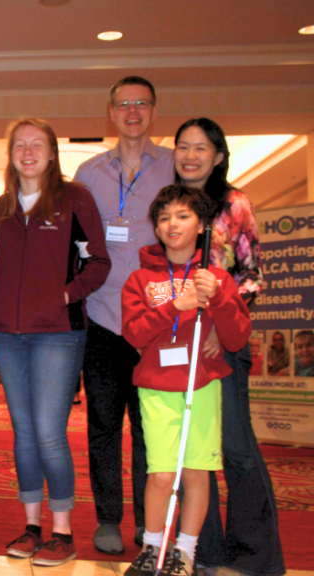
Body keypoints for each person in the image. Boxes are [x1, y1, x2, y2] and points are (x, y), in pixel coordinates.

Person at [0, 118, 111, 567]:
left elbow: (98, 262)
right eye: (19, 145)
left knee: (48, 432)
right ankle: (32, 526)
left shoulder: (74, 200)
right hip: (9, 334)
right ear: (11, 153)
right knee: (22, 434)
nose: (27, 152)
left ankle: (63, 533)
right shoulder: (1, 208)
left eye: (36, 144)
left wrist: (63, 295)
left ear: (52, 152)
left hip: (58, 334)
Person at [172, 117, 284, 576]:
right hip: (183, 348)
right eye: (183, 147)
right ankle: (204, 551)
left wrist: (222, 319)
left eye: (201, 148)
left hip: (225, 343)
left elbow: (252, 275)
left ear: (218, 156)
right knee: (195, 454)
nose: (191, 156)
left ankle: (256, 558)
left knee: (236, 448)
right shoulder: (172, 204)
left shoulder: (235, 204)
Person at [122, 185, 251, 576]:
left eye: (182, 216)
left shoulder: (216, 278)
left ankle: (185, 553)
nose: (172, 224)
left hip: (202, 386)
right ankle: (151, 547)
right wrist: (175, 308)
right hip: (157, 388)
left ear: (200, 226)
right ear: (156, 229)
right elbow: (134, 334)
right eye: (163, 218)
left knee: (196, 473)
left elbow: (236, 337)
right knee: (161, 474)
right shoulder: (140, 279)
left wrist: (219, 300)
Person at [74, 76, 174, 555]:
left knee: (151, 427)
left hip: (159, 322)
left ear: (153, 111)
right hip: (103, 319)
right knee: (104, 426)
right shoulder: (88, 174)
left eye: (141, 103)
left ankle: (147, 520)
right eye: (123, 104)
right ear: (110, 113)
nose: (132, 110)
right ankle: (108, 518)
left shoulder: (175, 166)